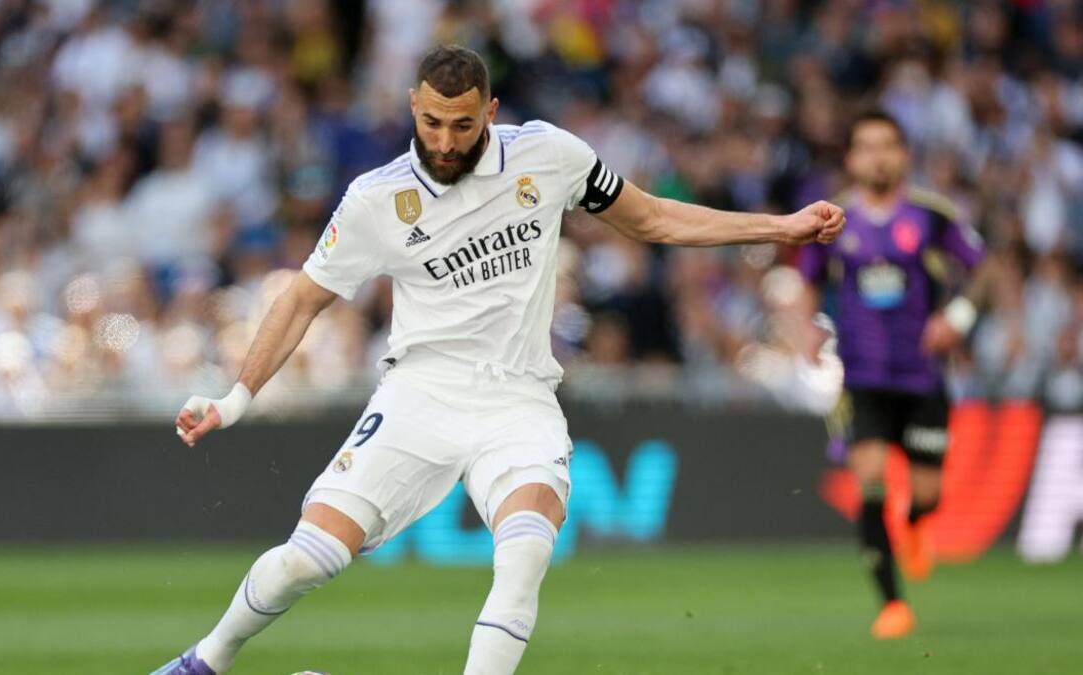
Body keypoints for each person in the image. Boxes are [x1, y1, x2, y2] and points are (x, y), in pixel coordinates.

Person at [153, 45, 845, 675]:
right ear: (412, 109)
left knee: (524, 556)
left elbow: (654, 218)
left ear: (489, 110)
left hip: (519, 399)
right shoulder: (375, 199)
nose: (445, 141)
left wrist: (779, 227)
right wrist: (233, 397)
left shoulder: (548, 156)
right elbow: (302, 299)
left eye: (460, 124)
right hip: (418, 394)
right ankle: (204, 661)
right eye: (431, 123)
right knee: (300, 564)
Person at [798, 109, 985, 640]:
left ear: (903, 155)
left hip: (923, 376)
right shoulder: (833, 219)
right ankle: (892, 605)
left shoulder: (932, 215)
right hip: (862, 375)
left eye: (888, 145)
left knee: (927, 492)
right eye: (867, 146)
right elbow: (806, 281)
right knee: (871, 478)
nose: (878, 156)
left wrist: (958, 317)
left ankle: (917, 524)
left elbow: (983, 270)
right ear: (852, 158)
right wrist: (811, 328)